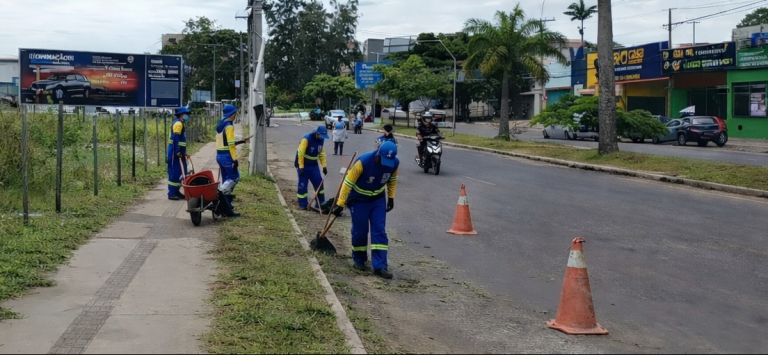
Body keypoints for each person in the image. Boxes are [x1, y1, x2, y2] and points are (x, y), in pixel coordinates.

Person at [334, 141, 399, 279]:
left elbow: (392, 180)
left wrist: (391, 198)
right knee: (360, 231)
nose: (385, 163)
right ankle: (359, 260)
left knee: (379, 230)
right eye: (384, 159)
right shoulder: (363, 162)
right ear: (378, 153)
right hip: (358, 200)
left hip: (377, 199)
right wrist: (340, 203)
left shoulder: (394, 163)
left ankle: (380, 266)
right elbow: (347, 183)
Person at [215, 104, 249, 216]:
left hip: (219, 155)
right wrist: (235, 159)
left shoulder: (221, 124)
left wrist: (242, 141)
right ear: (232, 114)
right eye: (235, 113)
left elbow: (226, 142)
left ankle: (227, 205)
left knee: (226, 180)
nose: (236, 115)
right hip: (227, 157)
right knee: (234, 178)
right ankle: (222, 203)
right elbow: (230, 145)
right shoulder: (229, 126)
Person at [295, 125, 329, 210]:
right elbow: (300, 153)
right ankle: (302, 204)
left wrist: (324, 166)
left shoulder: (321, 140)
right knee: (303, 185)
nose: (322, 138)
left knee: (319, 183)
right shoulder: (306, 139)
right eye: (321, 136)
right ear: (316, 133)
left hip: (314, 166)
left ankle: (320, 204)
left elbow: (321, 153)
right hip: (303, 165)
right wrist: (301, 167)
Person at [167, 107, 190, 200]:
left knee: (181, 171)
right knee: (175, 172)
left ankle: (176, 191)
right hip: (175, 152)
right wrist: (177, 151)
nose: (187, 116)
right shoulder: (178, 124)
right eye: (186, 114)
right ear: (182, 114)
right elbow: (176, 137)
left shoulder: (180, 123)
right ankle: (172, 193)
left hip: (179, 152)